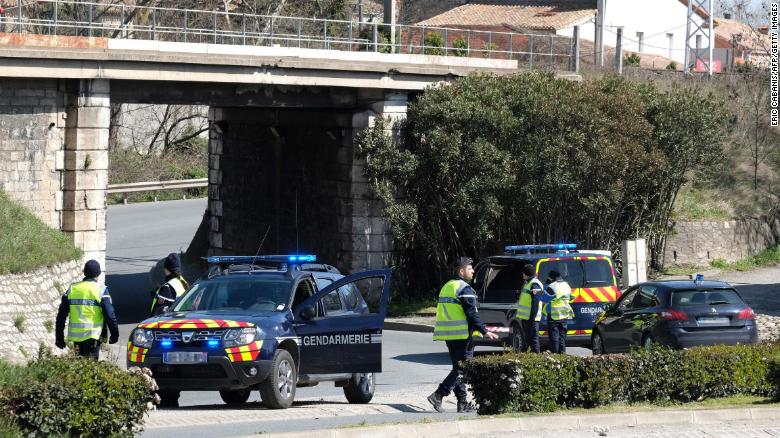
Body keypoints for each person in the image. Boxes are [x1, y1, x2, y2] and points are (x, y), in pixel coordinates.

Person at [428, 257, 499, 413]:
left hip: (449, 335)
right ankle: (439, 394)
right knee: (463, 369)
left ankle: (462, 403)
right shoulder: (464, 288)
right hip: (461, 336)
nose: (473, 270)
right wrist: (484, 331)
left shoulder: (447, 286)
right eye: (470, 268)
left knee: (458, 369)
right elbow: (472, 314)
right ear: (461, 270)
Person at [55, 259, 119, 359]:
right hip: (93, 336)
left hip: (77, 338)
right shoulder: (101, 290)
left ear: (84, 273)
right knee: (91, 368)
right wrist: (115, 334)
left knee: (80, 368)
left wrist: (59, 337)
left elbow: (61, 316)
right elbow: (110, 315)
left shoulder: (72, 289)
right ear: (98, 274)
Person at [541, 270, 574, 353]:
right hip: (564, 315)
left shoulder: (552, 286)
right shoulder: (566, 285)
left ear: (551, 278)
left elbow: (544, 299)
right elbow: (571, 297)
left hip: (554, 315)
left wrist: (546, 284)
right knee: (562, 338)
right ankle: (562, 357)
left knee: (554, 338)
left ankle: (555, 358)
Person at [516, 263, 543, 353]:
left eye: (523, 273)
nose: (522, 274)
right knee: (528, 340)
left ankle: (536, 361)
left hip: (532, 318)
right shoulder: (528, 283)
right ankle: (529, 358)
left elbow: (535, 303)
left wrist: (532, 318)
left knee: (534, 340)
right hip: (526, 318)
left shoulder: (534, 284)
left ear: (526, 273)